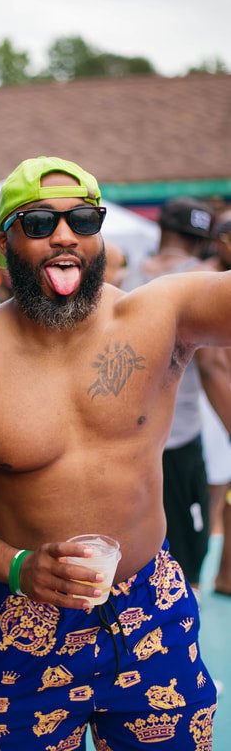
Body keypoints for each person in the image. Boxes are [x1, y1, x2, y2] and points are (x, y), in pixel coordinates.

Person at [0, 156, 230, 750]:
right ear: (3, 248)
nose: (64, 235)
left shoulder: (161, 314)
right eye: (37, 223)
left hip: (149, 606)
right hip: (22, 621)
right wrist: (15, 566)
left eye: (83, 219)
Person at [122, 199, 231, 593]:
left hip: (126, 444)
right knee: (189, 556)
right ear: (201, 240)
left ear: (163, 232)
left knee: (136, 554)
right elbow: (215, 367)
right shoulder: (199, 281)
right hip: (180, 439)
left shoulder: (122, 279)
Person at [199, 217, 231, 595]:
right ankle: (190, 582)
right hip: (210, 411)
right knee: (209, 500)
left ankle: (223, 577)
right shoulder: (207, 282)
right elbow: (212, 364)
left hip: (219, 406)